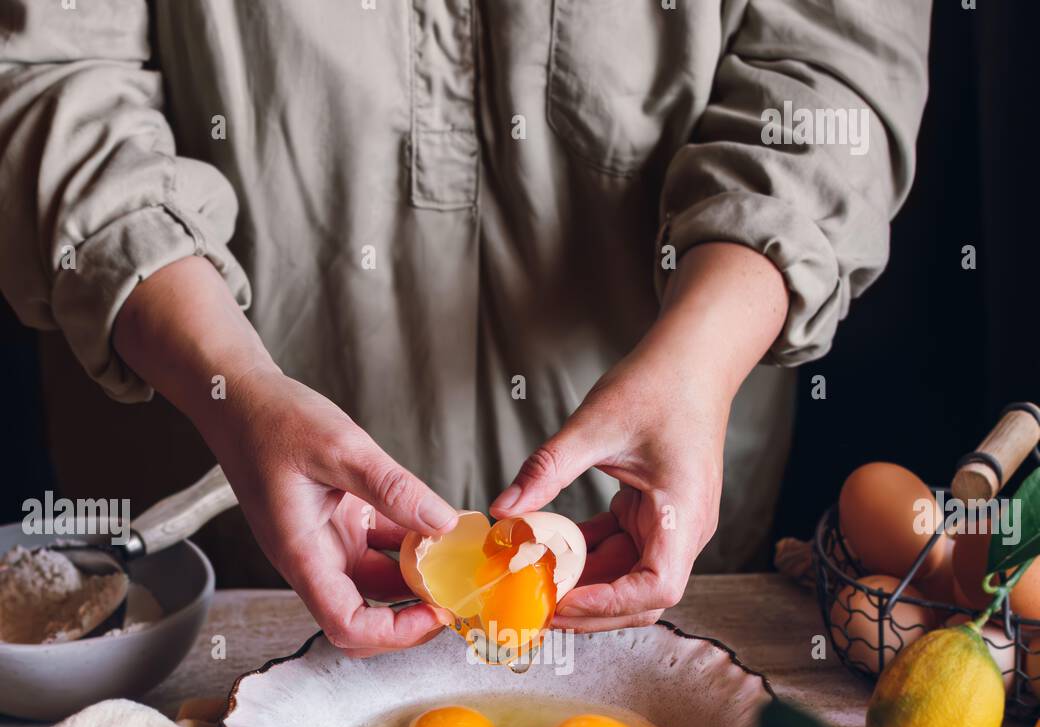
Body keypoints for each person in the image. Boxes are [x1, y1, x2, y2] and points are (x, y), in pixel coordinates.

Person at [0, 1, 930, 654]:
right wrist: (231, 388)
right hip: (224, 539)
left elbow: (831, 72)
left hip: (644, 530)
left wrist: (701, 361)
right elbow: (50, 76)